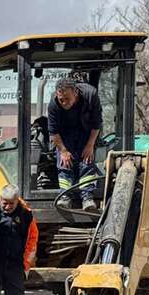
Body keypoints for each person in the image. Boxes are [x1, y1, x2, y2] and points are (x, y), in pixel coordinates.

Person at [48, 77, 103, 212]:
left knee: (87, 163)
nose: (64, 103)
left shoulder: (90, 95)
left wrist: (90, 145)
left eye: (67, 99)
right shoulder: (54, 103)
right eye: (61, 100)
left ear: (76, 93)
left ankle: (87, 198)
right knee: (65, 164)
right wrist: (63, 151)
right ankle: (65, 197)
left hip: (86, 132)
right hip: (64, 135)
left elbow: (97, 124)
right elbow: (53, 131)